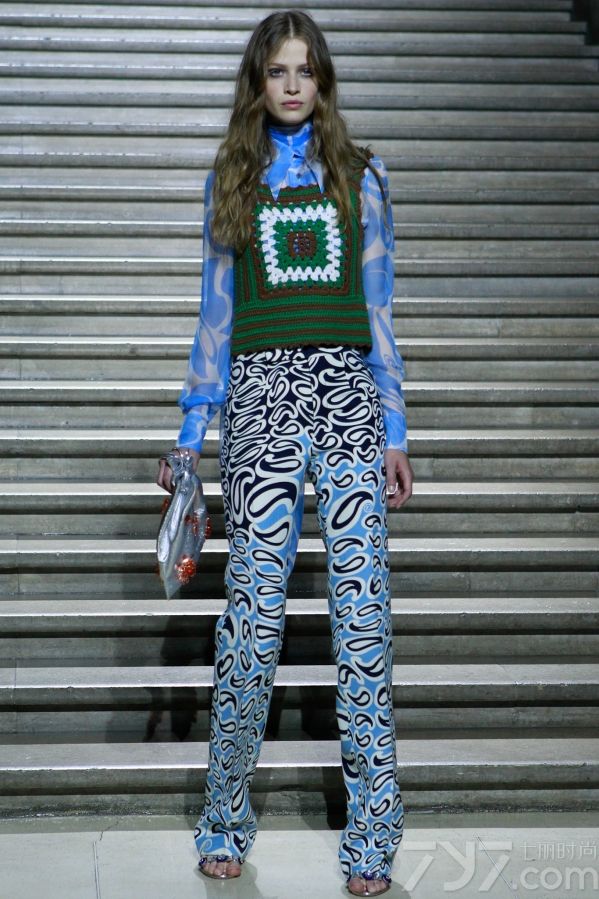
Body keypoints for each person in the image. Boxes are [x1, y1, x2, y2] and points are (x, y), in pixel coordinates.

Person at [157, 9, 414, 896]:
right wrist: (190, 436)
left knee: (363, 619)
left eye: (305, 70)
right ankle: (224, 816)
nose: (293, 85)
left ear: (323, 80)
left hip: (347, 400)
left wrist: (394, 428)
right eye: (277, 71)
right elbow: (215, 311)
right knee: (252, 620)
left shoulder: (362, 175)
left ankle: (373, 832)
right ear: (258, 82)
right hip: (261, 401)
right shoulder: (233, 175)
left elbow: (378, 308)